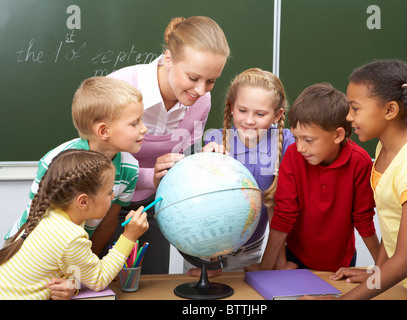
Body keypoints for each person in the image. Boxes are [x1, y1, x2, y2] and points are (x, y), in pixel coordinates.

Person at [106, 16, 230, 274]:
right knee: (103, 284)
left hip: (154, 207)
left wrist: (202, 160)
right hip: (104, 206)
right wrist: (150, 176)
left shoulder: (201, 101)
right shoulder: (119, 87)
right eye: (193, 77)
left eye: (211, 81)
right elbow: (93, 164)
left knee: (151, 284)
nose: (201, 90)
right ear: (168, 59)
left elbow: (183, 155)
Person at [321, 60, 407, 300]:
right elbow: (392, 228)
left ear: (390, 110)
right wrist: (376, 273)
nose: (348, 117)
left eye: (355, 108)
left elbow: (404, 262)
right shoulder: (385, 149)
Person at [245, 83, 379, 273]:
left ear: (338, 135)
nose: (300, 147)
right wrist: (266, 266)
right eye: (296, 137)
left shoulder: (360, 162)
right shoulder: (293, 155)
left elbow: (363, 218)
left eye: (308, 140)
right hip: (295, 259)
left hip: (342, 263)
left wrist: (383, 267)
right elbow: (284, 213)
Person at [4, 76, 147, 253]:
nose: (144, 128)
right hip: (31, 250)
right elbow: (39, 217)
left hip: (74, 253)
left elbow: (109, 223)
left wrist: (89, 265)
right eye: (134, 123)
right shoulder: (57, 160)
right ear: (104, 131)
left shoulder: (129, 169)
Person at [185, 68, 295, 276]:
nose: (249, 120)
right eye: (242, 110)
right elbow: (209, 208)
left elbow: (279, 208)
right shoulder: (216, 141)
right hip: (208, 253)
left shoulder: (287, 142)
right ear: (231, 107)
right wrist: (205, 162)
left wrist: (276, 262)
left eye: (260, 114)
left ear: (277, 115)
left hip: (251, 252)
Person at [0, 150, 149, 300]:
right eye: (109, 192)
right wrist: (129, 236)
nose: (113, 196)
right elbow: (99, 280)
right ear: (83, 202)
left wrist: (72, 285)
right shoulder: (70, 236)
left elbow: (71, 266)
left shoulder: (50, 213)